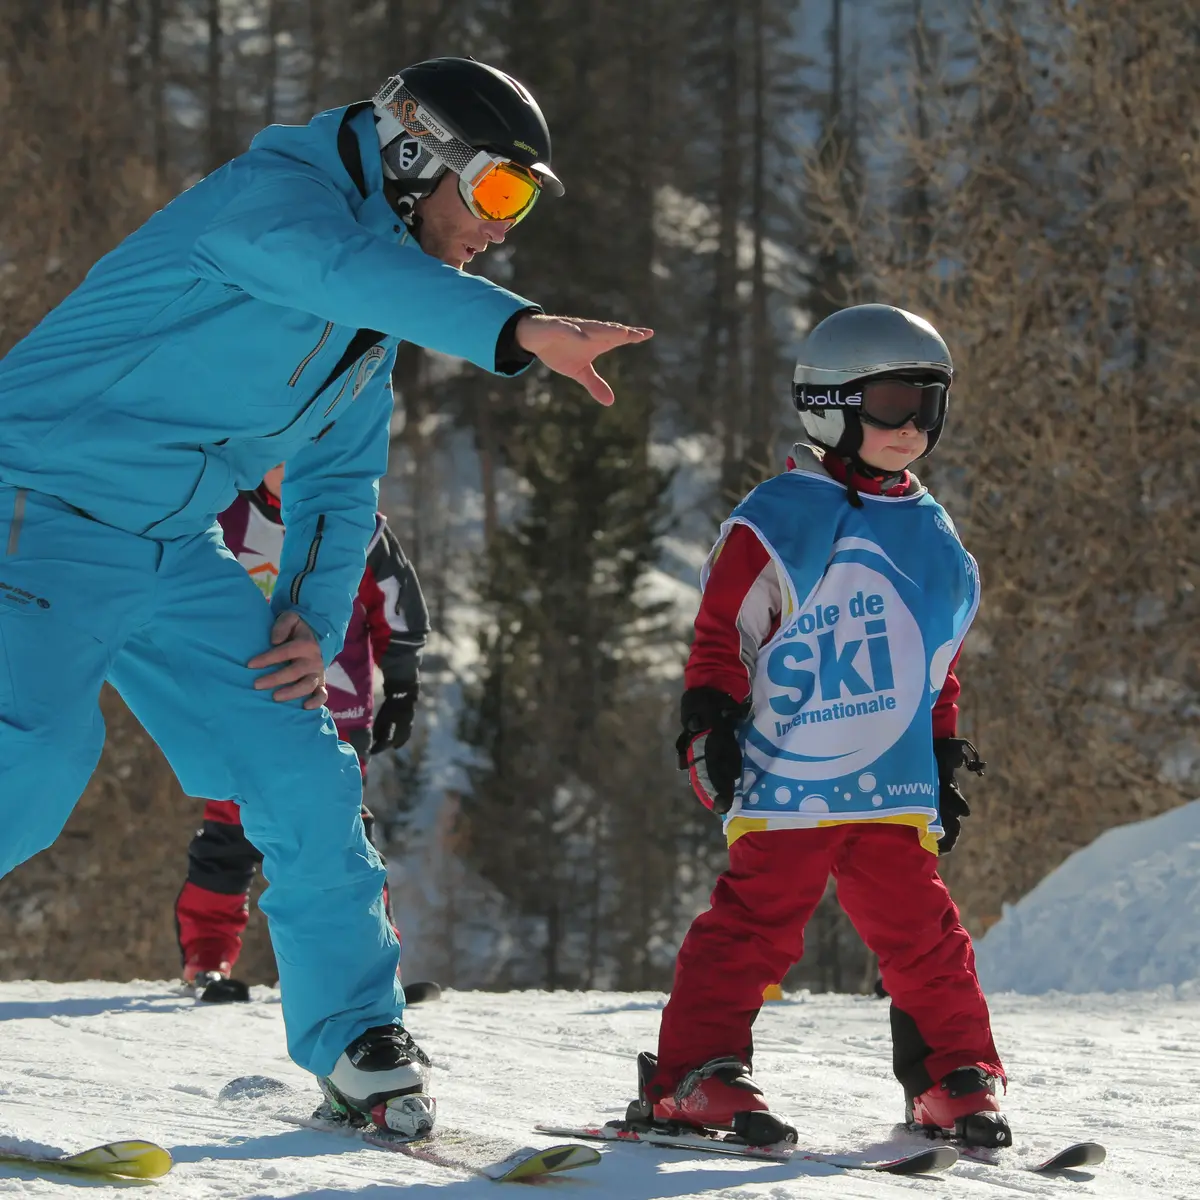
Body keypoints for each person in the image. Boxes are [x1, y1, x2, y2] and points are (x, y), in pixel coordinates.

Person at [0, 56, 651, 1137]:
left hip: (167, 544)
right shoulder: (270, 207)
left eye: (523, 205)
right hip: (32, 510)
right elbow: (340, 272)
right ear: (413, 156)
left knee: (300, 761)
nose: (503, 225)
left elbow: (342, 478)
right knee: (28, 763)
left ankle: (358, 1037)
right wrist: (523, 331)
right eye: (494, 192)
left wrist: (305, 609)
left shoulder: (367, 312)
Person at [627, 304, 1008, 1148]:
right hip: (791, 767)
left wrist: (943, 749)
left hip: (892, 774)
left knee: (924, 933)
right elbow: (726, 629)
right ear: (831, 405)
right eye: (892, 404)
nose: (912, 427)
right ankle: (693, 1074)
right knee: (756, 924)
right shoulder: (784, 514)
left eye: (929, 406)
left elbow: (937, 656)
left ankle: (955, 1075)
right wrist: (709, 720)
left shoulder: (932, 531)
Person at [175, 464, 428, 1003]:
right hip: (241, 708)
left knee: (346, 839)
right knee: (231, 836)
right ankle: (207, 960)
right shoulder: (218, 514)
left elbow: (397, 606)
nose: (290, 467)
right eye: (279, 453)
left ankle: (377, 969)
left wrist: (401, 686)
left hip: (336, 711)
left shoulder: (355, 524)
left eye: (307, 452)